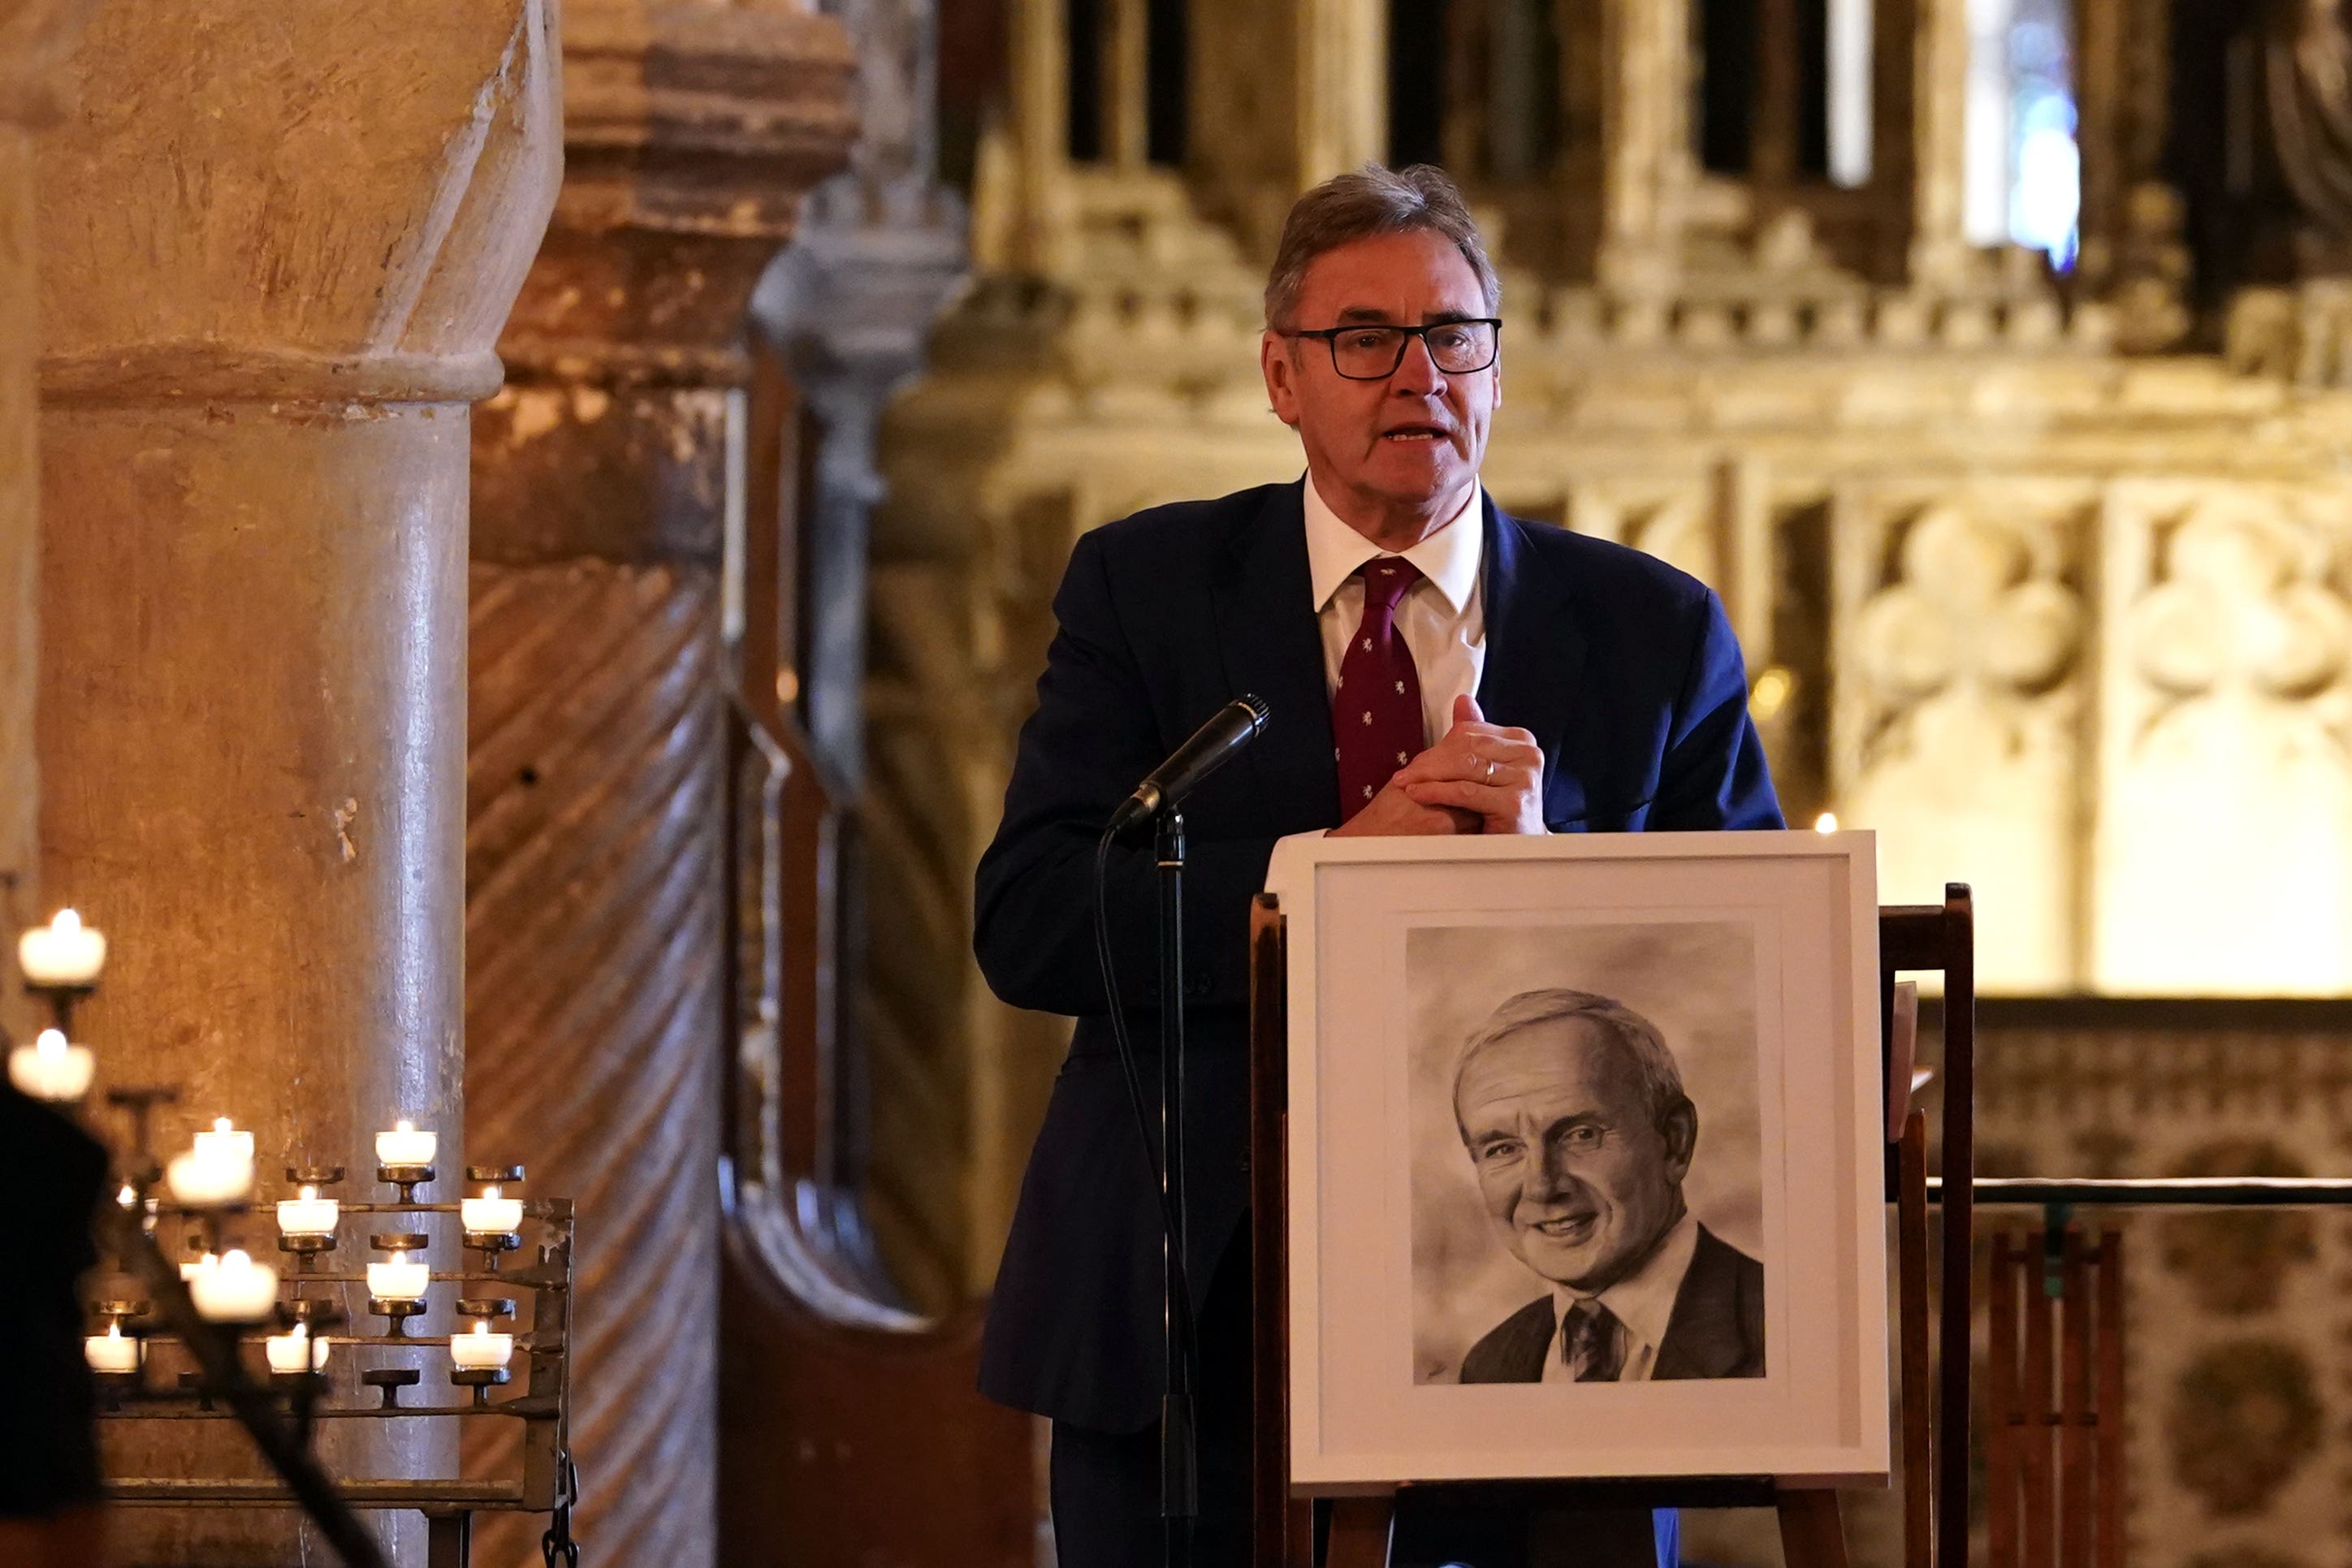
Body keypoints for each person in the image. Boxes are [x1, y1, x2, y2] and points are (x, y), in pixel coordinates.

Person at [973, 163, 1783, 1566]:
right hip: (1201, 1291)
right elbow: (1035, 920)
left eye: (1453, 336)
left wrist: (1539, 892)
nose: (1417, 374)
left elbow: (1746, 964)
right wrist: (1320, 874)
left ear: (1495, 368)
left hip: (1556, 1325)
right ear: (1283, 377)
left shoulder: (1650, 630)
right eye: (1364, 339)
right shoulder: (1147, 591)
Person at [1451, 989, 1765, 1385]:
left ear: (1674, 1141)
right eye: (1502, 1149)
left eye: (1580, 1135)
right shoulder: (1490, 1366)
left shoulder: (1786, 1331)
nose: (1541, 1187)